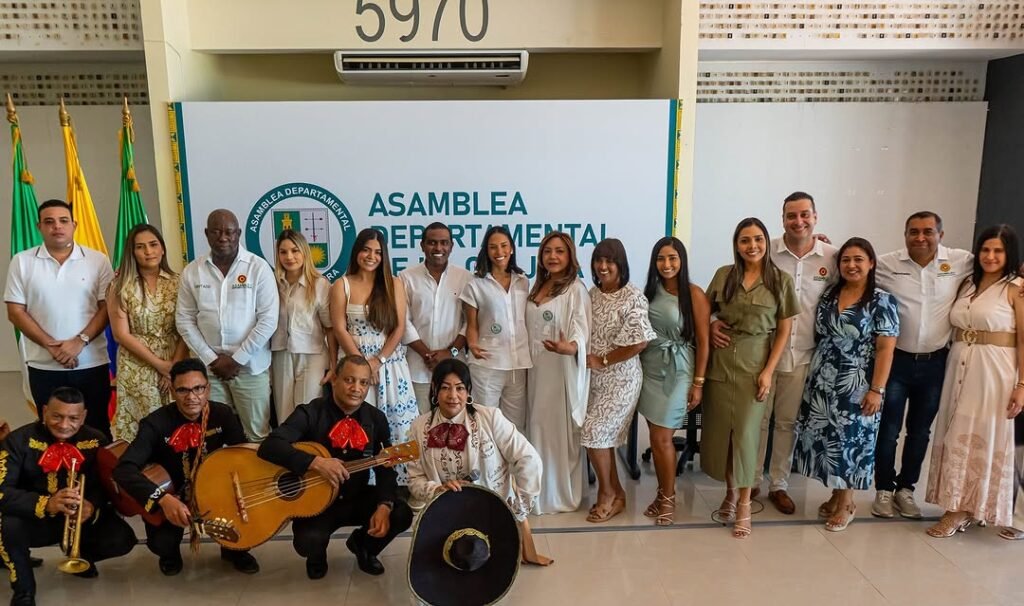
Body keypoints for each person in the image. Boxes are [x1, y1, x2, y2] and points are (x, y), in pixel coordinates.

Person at [714, 192, 837, 514]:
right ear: (782, 220)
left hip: (802, 354)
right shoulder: (769, 254)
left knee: (786, 423)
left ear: (815, 216)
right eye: (792, 216)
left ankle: (779, 484)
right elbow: (720, 305)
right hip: (759, 356)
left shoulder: (832, 257)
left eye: (805, 215)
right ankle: (750, 481)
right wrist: (714, 322)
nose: (799, 221)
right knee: (756, 422)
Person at [257, 355, 413, 580]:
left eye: (363, 382)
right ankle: (317, 555)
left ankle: (363, 546)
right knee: (307, 542)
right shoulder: (310, 412)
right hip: (317, 503)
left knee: (400, 513)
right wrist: (316, 462)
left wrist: (384, 505)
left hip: (356, 496)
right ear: (334, 380)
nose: (356, 388)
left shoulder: (375, 418)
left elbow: (384, 468)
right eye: (349, 380)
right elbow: (270, 446)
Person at [112, 358, 259, 576]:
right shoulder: (155, 423)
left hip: (212, 490)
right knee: (162, 542)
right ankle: (170, 553)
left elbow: (241, 454)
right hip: (172, 495)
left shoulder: (223, 414)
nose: (192, 397)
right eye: (183, 390)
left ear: (207, 389)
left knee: (247, 511)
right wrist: (162, 498)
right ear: (171, 391)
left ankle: (233, 551)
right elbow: (123, 470)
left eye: (198, 388)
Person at [793, 238, 899, 531]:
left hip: (858, 381)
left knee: (852, 440)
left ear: (871, 263)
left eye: (858, 260)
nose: (851, 265)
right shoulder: (830, 294)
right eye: (846, 260)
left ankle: (847, 503)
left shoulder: (881, 300)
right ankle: (835, 493)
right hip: (824, 378)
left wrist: (876, 389)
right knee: (829, 439)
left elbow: (885, 349)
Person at [703, 218, 799, 538]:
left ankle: (745, 503)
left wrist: (768, 371)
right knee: (724, 435)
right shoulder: (723, 275)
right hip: (721, 362)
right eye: (745, 240)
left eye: (758, 239)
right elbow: (704, 311)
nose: (752, 246)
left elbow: (784, 329)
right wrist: (712, 324)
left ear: (766, 243)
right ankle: (730, 492)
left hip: (756, 361)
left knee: (746, 434)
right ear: (736, 244)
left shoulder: (780, 280)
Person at [872, 211, 973, 519]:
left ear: (940, 235)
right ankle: (884, 490)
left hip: (934, 364)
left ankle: (906, 489)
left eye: (928, 232)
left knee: (920, 432)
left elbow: (997, 264)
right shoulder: (888, 264)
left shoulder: (960, 261)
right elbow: (851, 267)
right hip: (896, 362)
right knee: (888, 430)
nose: (920, 238)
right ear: (905, 235)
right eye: (913, 232)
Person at [925, 224, 1024, 536]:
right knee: (956, 430)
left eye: (998, 251)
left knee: (981, 434)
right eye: (985, 249)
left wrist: (1022, 386)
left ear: (1009, 255)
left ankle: (961, 510)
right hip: (959, 365)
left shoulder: (1015, 288)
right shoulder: (968, 283)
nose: (990, 256)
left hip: (994, 370)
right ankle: (962, 504)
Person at [406, 358, 552, 565]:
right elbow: (415, 479)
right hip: (444, 512)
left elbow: (529, 459)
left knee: (482, 560)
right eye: (445, 388)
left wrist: (517, 510)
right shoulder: (418, 427)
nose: (453, 396)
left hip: (491, 511)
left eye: (460, 388)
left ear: (469, 391)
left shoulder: (490, 417)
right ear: (434, 389)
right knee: (451, 564)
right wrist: (437, 490)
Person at [0, 387, 136, 606]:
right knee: (8, 526)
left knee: (122, 539)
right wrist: (46, 504)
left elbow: (106, 486)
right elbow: (2, 492)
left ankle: (78, 557)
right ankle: (24, 589)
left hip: (76, 518)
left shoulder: (96, 439)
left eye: (73, 418)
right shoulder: (18, 441)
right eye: (57, 416)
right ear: (44, 411)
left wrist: (92, 505)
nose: (64, 425)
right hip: (35, 518)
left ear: (83, 417)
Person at [5, 199, 115, 439]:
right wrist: (52, 346)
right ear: (39, 227)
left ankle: (95, 478)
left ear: (74, 224)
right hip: (43, 365)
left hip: (91, 363)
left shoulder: (98, 260)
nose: (57, 227)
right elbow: (15, 311)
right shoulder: (22, 262)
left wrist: (79, 341)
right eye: (49, 222)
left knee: (96, 429)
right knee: (50, 432)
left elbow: (107, 308)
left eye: (63, 221)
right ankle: (54, 478)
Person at [176, 209, 279, 442]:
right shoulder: (193, 271)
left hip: (251, 368)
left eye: (230, 232)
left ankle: (256, 478)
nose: (223, 237)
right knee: (214, 434)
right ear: (206, 234)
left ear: (239, 233)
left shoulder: (258, 268)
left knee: (257, 434)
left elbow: (268, 320)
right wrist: (212, 359)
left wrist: (237, 359)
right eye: (216, 231)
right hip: (210, 371)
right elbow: (184, 319)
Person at [329, 228, 418, 484]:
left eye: (378, 252)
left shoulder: (394, 283)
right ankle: (360, 482)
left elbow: (399, 327)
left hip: (389, 363)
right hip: (355, 366)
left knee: (396, 424)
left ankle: (399, 484)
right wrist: (362, 367)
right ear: (357, 251)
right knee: (358, 422)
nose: (371, 256)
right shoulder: (341, 285)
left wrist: (378, 361)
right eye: (366, 250)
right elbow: (338, 328)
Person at [637, 237, 710, 526]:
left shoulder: (694, 294)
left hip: (679, 371)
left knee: (663, 438)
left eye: (672, 258)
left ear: (682, 261)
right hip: (651, 368)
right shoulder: (649, 292)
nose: (666, 265)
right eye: (661, 259)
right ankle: (661, 493)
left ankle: (669, 498)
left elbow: (704, 343)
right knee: (656, 439)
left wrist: (699, 382)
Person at [582, 238, 656, 523]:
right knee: (602, 439)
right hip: (595, 380)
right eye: (598, 261)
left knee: (594, 432)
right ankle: (618, 494)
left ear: (620, 264)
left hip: (622, 379)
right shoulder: (593, 294)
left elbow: (639, 343)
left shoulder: (633, 296)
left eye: (609, 261)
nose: (603, 267)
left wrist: (603, 360)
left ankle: (606, 494)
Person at [525, 231, 591, 514]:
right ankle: (535, 490)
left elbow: (581, 328)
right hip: (534, 369)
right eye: (548, 251)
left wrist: (571, 347)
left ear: (570, 257)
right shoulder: (535, 287)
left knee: (554, 432)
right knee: (535, 428)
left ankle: (558, 495)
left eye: (560, 251)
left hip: (559, 370)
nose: (553, 256)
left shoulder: (575, 289)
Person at [108, 224, 187, 442]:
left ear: (162, 248)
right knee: (143, 428)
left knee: (178, 426)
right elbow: (120, 334)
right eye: (140, 247)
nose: (148, 251)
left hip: (175, 360)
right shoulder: (120, 286)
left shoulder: (179, 282)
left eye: (153, 245)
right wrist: (159, 365)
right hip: (137, 364)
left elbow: (186, 328)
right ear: (132, 252)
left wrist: (173, 367)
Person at [460, 225, 533, 433]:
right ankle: (487, 466)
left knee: (514, 428)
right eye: (493, 247)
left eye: (504, 246)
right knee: (485, 424)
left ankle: (511, 466)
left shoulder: (523, 281)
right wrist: (472, 344)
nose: (499, 252)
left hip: (518, 365)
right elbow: (471, 325)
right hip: (487, 364)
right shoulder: (475, 284)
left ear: (511, 248)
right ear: (486, 251)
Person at [399, 222, 471, 413]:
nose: (438, 248)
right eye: (432, 243)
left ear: (451, 246)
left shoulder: (465, 278)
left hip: (456, 367)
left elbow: (470, 322)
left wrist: (451, 352)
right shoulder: (406, 277)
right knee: (420, 426)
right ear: (422, 245)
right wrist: (426, 354)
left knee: (456, 427)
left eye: (444, 243)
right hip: (418, 369)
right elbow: (403, 321)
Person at [270, 230, 337, 424]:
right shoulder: (272, 283)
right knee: (284, 415)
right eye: (283, 252)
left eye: (295, 250)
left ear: (304, 252)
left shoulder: (319, 284)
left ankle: (309, 453)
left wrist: (333, 365)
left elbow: (330, 328)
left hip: (312, 355)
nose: (289, 257)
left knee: (308, 414)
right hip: (281, 354)